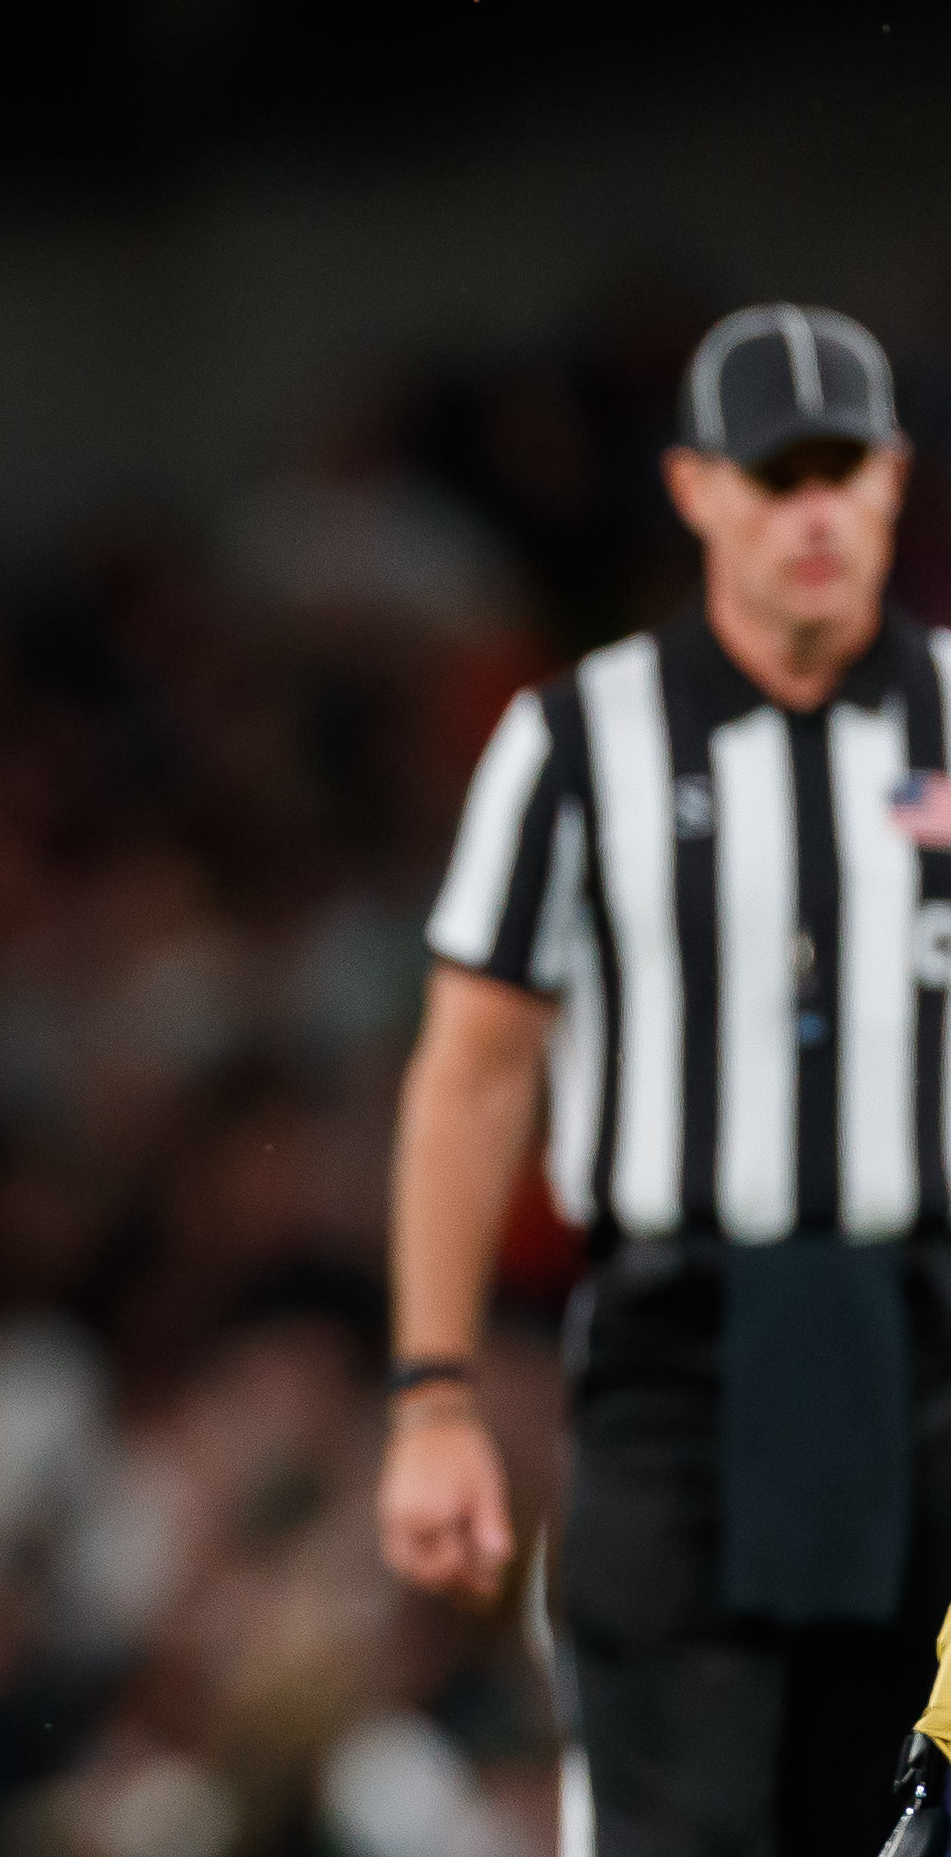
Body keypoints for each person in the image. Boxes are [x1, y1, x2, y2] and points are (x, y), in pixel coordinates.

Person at [377, 302, 951, 1857]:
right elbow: (470, 1074)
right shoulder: (575, 741)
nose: (816, 512)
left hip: (924, 1342)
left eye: (844, 471)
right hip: (681, 1356)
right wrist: (433, 1393)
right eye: (778, 476)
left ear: (895, 480)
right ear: (695, 490)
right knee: (678, 1825)